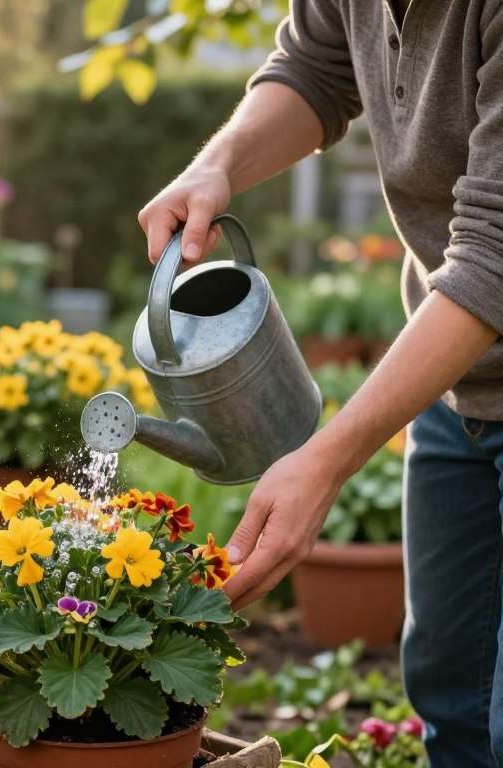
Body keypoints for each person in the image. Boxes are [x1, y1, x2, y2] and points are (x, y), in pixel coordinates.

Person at [137, 2, 503, 765]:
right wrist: (220, 163)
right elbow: (315, 67)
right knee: (450, 691)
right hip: (457, 388)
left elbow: (496, 259)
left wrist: (328, 457)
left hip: (478, 315)